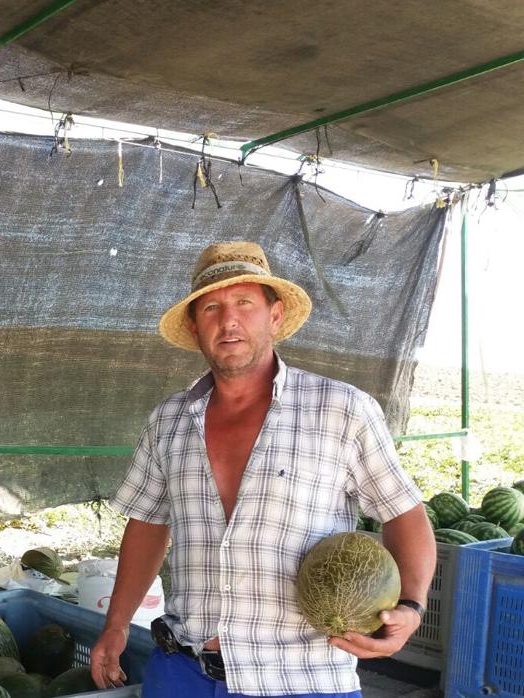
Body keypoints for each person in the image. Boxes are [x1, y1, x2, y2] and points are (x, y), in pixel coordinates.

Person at [89, 241, 436, 697]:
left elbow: (404, 513)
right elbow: (148, 524)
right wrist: (116, 626)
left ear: (274, 316)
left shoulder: (341, 409)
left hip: (301, 678)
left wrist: (410, 605)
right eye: (211, 307)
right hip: (181, 672)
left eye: (244, 303)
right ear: (194, 327)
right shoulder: (168, 419)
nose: (228, 320)